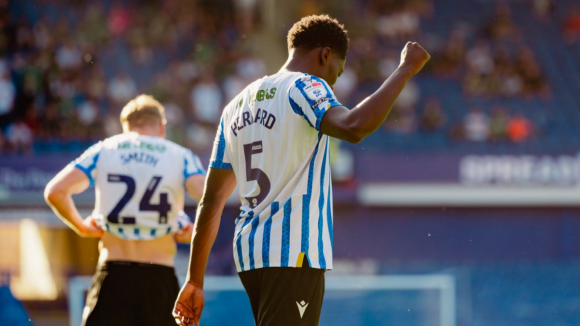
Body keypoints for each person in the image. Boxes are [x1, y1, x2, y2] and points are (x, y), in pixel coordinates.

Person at [173, 14, 430, 326]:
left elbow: (211, 202)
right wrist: (405, 69)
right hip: (292, 251)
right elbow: (354, 126)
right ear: (325, 55)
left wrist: (195, 280)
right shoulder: (305, 86)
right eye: (337, 70)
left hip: (251, 255)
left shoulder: (236, 105)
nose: (334, 81)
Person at [44, 95, 206, 326]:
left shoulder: (105, 149)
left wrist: (81, 227)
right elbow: (209, 198)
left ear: (126, 127)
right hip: (159, 278)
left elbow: (55, 192)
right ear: (161, 126)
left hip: (113, 275)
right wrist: (194, 233)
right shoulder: (181, 155)